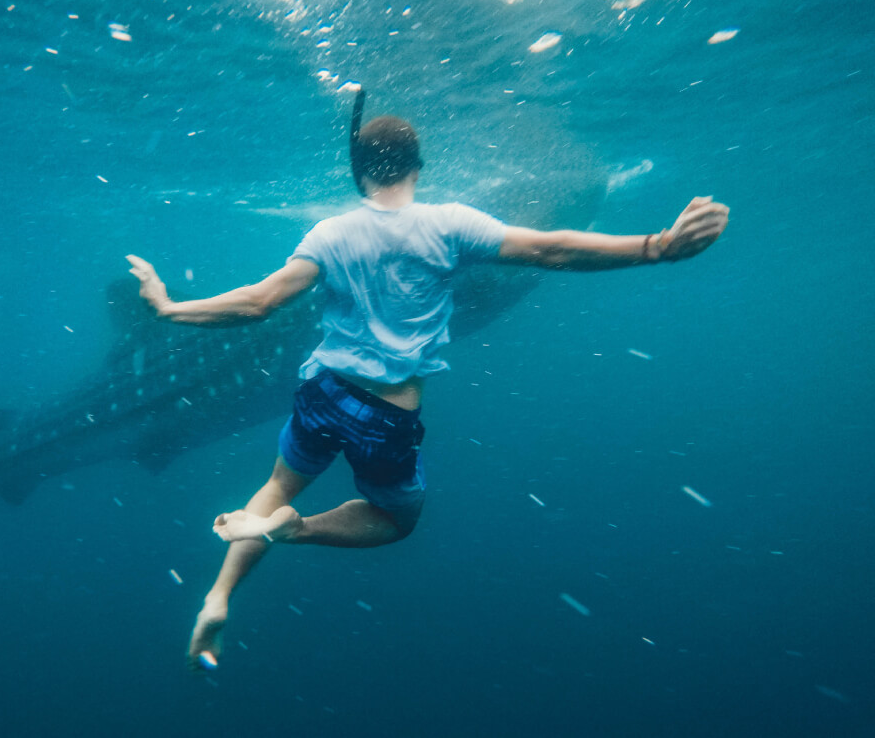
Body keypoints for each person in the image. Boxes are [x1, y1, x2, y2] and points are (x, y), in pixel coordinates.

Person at [126, 94, 729, 669]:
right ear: (419, 168)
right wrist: (656, 247)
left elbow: (258, 302)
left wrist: (168, 307)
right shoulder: (450, 224)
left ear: (359, 173)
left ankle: (219, 594)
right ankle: (298, 532)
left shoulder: (329, 234)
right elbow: (556, 250)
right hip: (386, 414)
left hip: (322, 391)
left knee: (275, 486)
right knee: (395, 520)